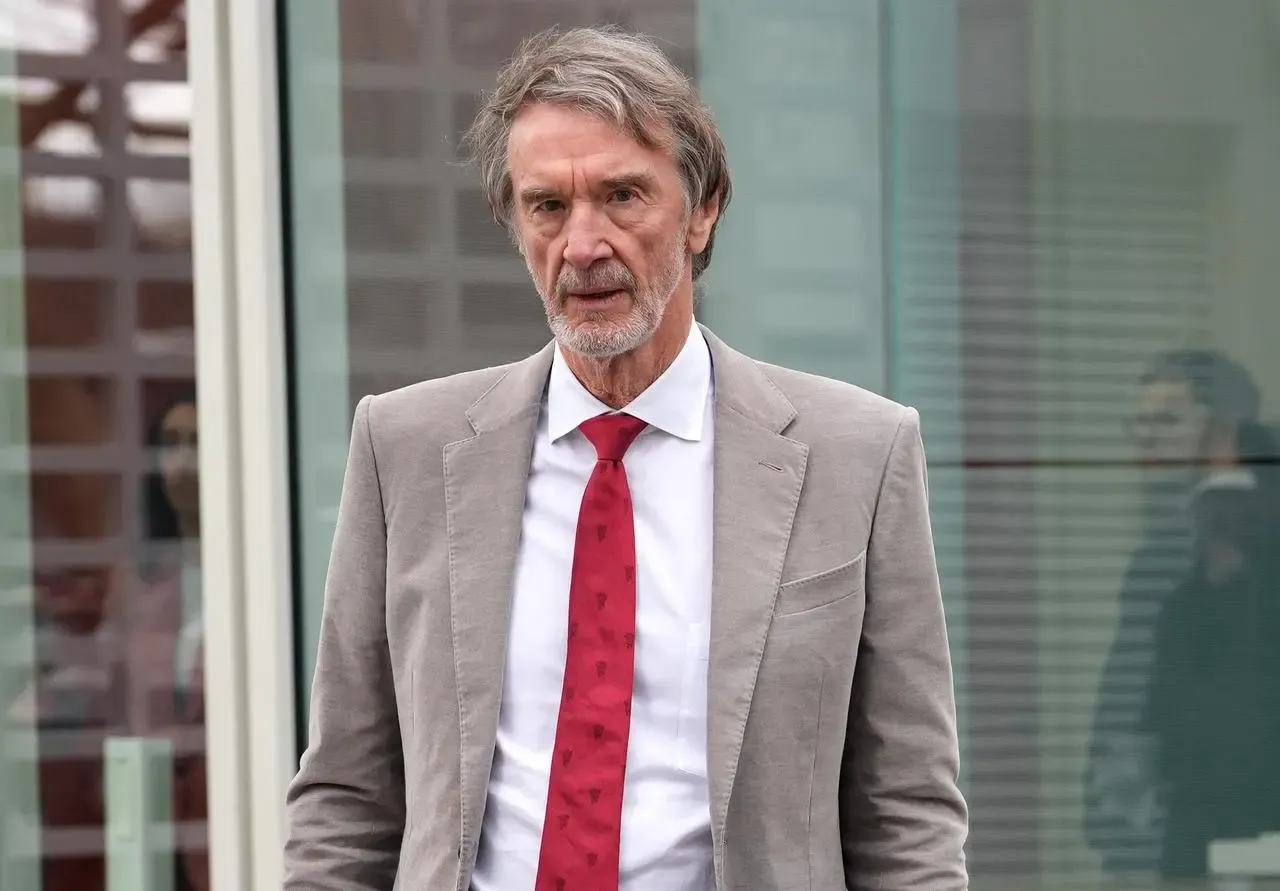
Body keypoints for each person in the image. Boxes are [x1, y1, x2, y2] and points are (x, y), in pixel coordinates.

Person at [283, 26, 968, 891]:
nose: (583, 244)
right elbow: (347, 794)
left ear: (704, 208)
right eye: (548, 206)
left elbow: (905, 805)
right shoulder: (405, 448)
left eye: (622, 196)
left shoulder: (856, 454)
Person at [1084, 349, 1262, 876]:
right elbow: (1130, 683)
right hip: (1155, 820)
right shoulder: (1163, 546)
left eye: (1166, 421)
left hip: (1216, 824)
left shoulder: (1241, 551)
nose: (1146, 437)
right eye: (1138, 422)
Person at [1141, 418, 1280, 878]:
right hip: (1196, 826)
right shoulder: (1180, 606)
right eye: (1211, 506)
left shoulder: (1263, 602)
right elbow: (1158, 716)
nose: (1224, 521)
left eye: (1239, 505)